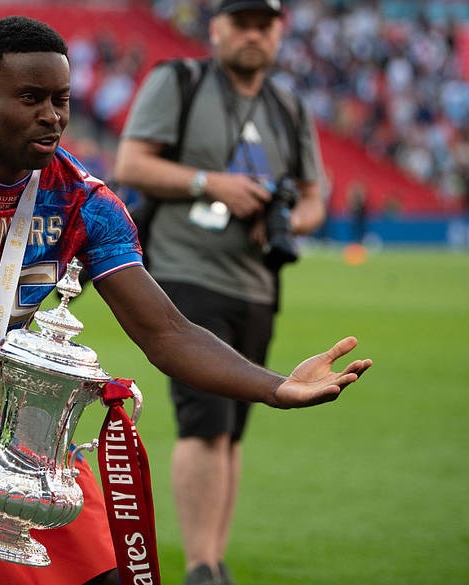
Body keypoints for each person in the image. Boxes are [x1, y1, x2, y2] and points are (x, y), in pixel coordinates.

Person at [0, 15, 371, 585]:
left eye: (61, 99)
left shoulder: (82, 200)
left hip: (0, 413)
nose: (52, 116)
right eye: (31, 98)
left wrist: (276, 387)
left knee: (104, 575)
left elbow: (166, 332)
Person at [113, 1, 329, 584]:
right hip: (185, 273)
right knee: (206, 423)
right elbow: (131, 163)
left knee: (232, 428)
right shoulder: (179, 81)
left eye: (265, 25)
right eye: (242, 23)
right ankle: (201, 567)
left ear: (279, 33)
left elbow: (315, 199)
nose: (253, 34)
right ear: (216, 29)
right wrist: (212, 183)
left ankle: (216, 562)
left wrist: (285, 219)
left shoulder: (289, 106)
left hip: (257, 283)